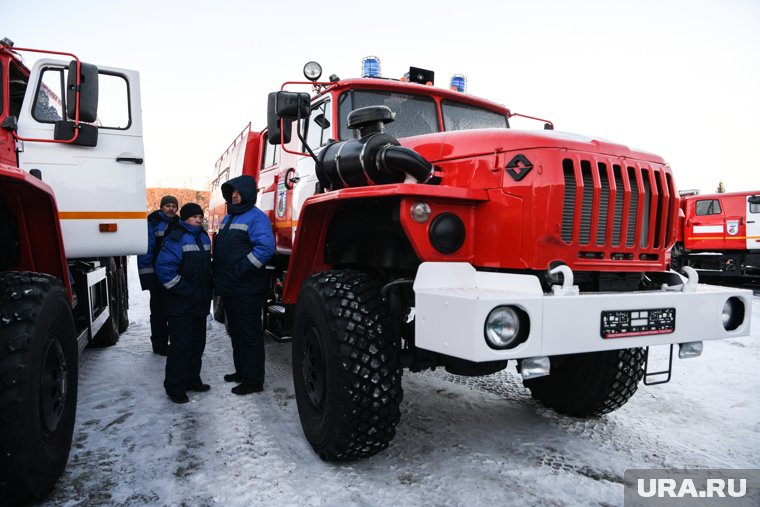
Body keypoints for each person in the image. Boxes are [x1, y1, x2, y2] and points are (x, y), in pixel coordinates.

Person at [213, 175, 275, 395]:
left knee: (249, 334)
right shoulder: (228, 218)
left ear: (248, 193)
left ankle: (253, 380)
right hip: (230, 287)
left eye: (238, 193)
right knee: (236, 332)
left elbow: (266, 249)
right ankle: (242, 372)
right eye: (232, 193)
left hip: (247, 288)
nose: (235, 196)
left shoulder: (256, 218)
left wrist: (241, 269)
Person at [155, 203, 213, 404]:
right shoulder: (176, 238)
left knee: (197, 345)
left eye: (200, 216)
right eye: (194, 216)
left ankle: (192, 380)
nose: (199, 219)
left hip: (199, 304)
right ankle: (175, 388)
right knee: (181, 346)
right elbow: (164, 271)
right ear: (185, 218)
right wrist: (187, 292)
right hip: (181, 305)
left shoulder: (204, 237)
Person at [138, 195, 179, 355]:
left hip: (174, 276)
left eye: (174, 206)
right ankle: (159, 346)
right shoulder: (152, 223)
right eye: (168, 205)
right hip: (156, 277)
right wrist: (148, 277)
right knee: (158, 313)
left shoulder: (179, 224)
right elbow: (146, 251)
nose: (171, 209)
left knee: (174, 312)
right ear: (162, 207)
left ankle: (175, 343)